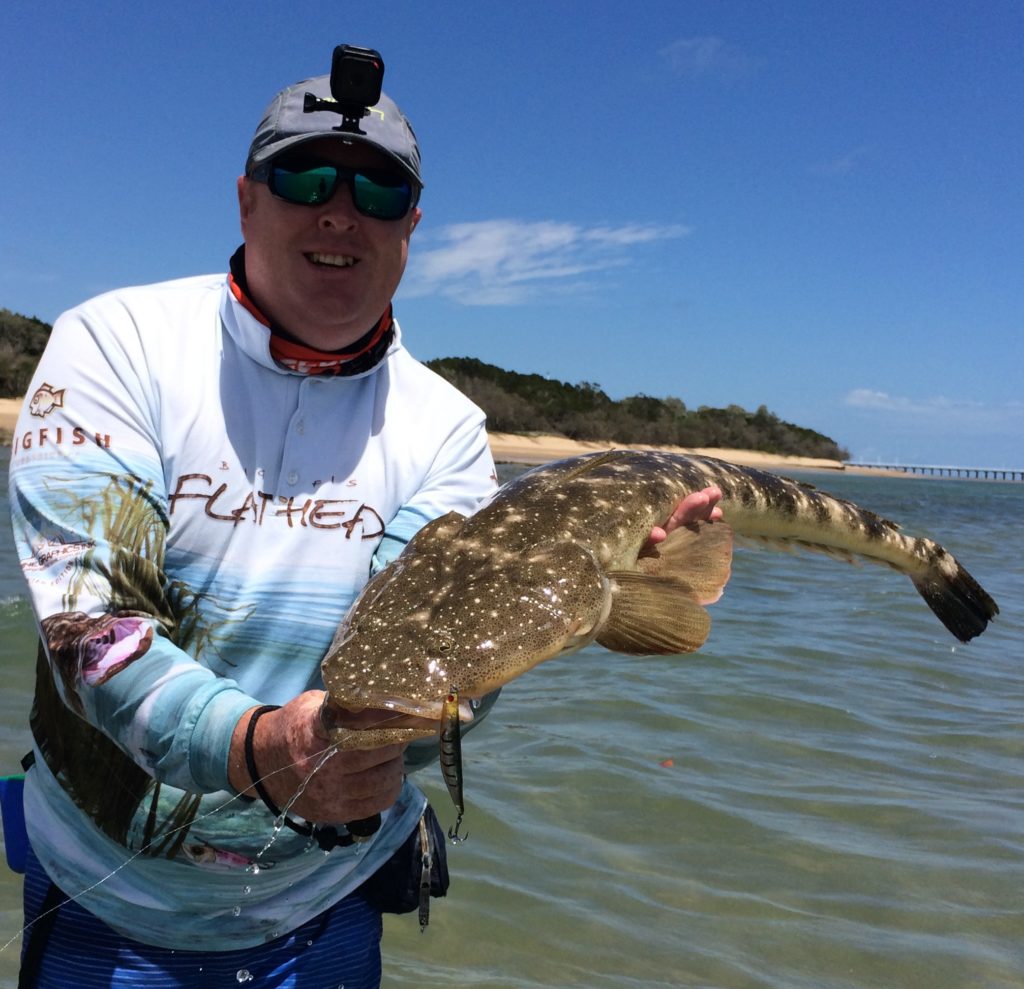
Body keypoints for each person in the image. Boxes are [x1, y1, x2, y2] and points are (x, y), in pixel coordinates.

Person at [7, 51, 724, 988]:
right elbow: (90, 628)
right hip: (107, 906)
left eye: (379, 190)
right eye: (304, 176)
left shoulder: (446, 428)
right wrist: (257, 749)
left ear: (412, 228)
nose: (340, 210)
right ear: (246, 200)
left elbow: (427, 674)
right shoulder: (114, 345)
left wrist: (596, 591)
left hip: (325, 906)